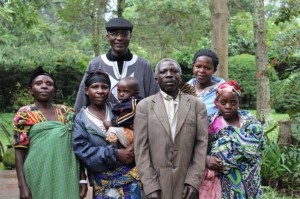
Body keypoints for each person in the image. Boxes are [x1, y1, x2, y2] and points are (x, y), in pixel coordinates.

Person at [134, 58, 208, 199]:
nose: (169, 74)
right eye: (163, 72)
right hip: (157, 186)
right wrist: (150, 186)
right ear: (157, 78)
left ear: (180, 77)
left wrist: (193, 181)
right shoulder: (145, 106)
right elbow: (140, 149)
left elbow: (201, 145)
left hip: (186, 186)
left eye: (174, 71)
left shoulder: (196, 105)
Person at [13, 66, 87, 199]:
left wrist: (82, 179)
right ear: (31, 90)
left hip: (66, 175)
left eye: (49, 84)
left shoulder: (67, 113)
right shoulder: (25, 114)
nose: (44, 86)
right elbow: (19, 150)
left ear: (54, 91)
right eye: (38, 83)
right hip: (37, 173)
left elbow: (77, 147)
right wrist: (22, 185)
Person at [72, 70, 142, 198]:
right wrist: (115, 154)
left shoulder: (120, 110)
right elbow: (82, 150)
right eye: (95, 87)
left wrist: (133, 146)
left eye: (104, 87)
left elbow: (140, 129)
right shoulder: (81, 119)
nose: (100, 91)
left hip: (131, 179)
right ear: (86, 90)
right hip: (103, 183)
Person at [74, 17, 158, 111]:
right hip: (100, 123)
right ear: (108, 37)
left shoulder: (144, 65)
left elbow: (154, 99)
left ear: (130, 37)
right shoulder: (95, 64)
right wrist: (76, 119)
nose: (119, 38)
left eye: (124, 34)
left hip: (138, 123)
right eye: (114, 34)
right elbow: (82, 99)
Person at [201, 80, 265, 198]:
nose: (228, 106)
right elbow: (203, 146)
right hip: (221, 179)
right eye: (223, 102)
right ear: (216, 102)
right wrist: (206, 157)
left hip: (248, 179)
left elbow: (255, 146)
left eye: (233, 102)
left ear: (239, 102)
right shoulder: (211, 122)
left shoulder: (249, 121)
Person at [104, 77, 143, 148]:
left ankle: (115, 152)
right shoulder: (125, 103)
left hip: (136, 135)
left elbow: (131, 114)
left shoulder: (134, 102)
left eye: (125, 91)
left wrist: (113, 122)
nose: (121, 94)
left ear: (135, 93)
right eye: (119, 91)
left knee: (111, 131)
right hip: (130, 134)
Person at [187, 49, 225, 116]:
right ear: (193, 67)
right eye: (198, 66)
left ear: (214, 70)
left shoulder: (223, 91)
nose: (202, 71)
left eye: (207, 68)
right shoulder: (183, 89)